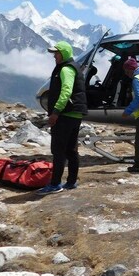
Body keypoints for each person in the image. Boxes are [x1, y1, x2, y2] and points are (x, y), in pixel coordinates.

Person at [38, 41, 88, 195]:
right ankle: (71, 182)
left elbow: (66, 91)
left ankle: (55, 184)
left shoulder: (66, 69)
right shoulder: (73, 67)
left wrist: (55, 112)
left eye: (56, 53)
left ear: (64, 53)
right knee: (71, 149)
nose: (54, 56)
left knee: (58, 150)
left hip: (65, 114)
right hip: (75, 114)